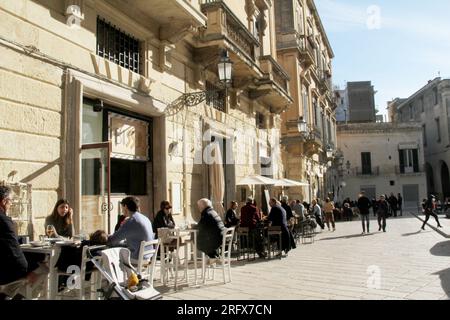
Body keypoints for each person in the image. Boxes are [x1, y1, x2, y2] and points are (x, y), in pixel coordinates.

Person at [0, 186, 48, 298]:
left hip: (3, 266)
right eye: (10, 201)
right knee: (44, 268)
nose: (11, 204)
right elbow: (14, 251)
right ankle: (19, 297)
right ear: (3, 201)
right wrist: (28, 271)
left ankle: (5, 295)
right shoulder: (4, 220)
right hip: (7, 270)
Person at [108, 197, 154, 261]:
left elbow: (112, 240)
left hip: (137, 258)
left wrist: (106, 237)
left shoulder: (132, 221)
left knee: (111, 256)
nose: (122, 211)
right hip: (148, 256)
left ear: (125, 207)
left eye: (122, 208)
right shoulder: (145, 218)